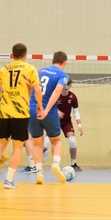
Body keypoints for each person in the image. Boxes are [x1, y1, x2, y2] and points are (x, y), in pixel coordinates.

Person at [0, 43, 43, 189]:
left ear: (12, 55)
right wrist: (40, 106)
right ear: (25, 55)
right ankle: (8, 180)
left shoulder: (4, 69)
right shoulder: (30, 69)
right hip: (21, 114)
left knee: (1, 145)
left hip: (5, 113)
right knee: (17, 148)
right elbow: (37, 90)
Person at [28, 52, 70, 185]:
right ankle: (56, 164)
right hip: (49, 111)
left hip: (33, 109)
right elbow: (57, 91)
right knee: (56, 141)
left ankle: (39, 172)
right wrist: (46, 110)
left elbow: (30, 88)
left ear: (52, 60)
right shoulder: (63, 75)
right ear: (64, 63)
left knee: (37, 143)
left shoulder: (40, 71)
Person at [57, 78, 83, 171]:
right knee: (47, 142)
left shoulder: (73, 97)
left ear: (70, 85)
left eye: (68, 84)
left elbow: (76, 112)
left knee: (72, 141)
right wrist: (57, 112)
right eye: (64, 84)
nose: (66, 86)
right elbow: (49, 107)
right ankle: (38, 165)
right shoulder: (56, 95)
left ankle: (74, 164)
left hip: (67, 122)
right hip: (55, 122)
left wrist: (79, 125)